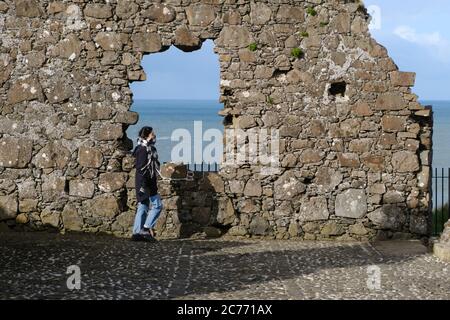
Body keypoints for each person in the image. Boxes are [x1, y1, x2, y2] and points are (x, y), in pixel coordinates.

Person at [131, 126, 163, 242]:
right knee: (157, 206)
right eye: (152, 133)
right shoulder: (143, 150)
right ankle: (145, 228)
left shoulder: (149, 149)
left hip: (148, 182)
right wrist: (143, 186)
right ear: (147, 135)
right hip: (145, 183)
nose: (154, 135)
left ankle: (136, 233)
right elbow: (141, 168)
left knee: (143, 206)